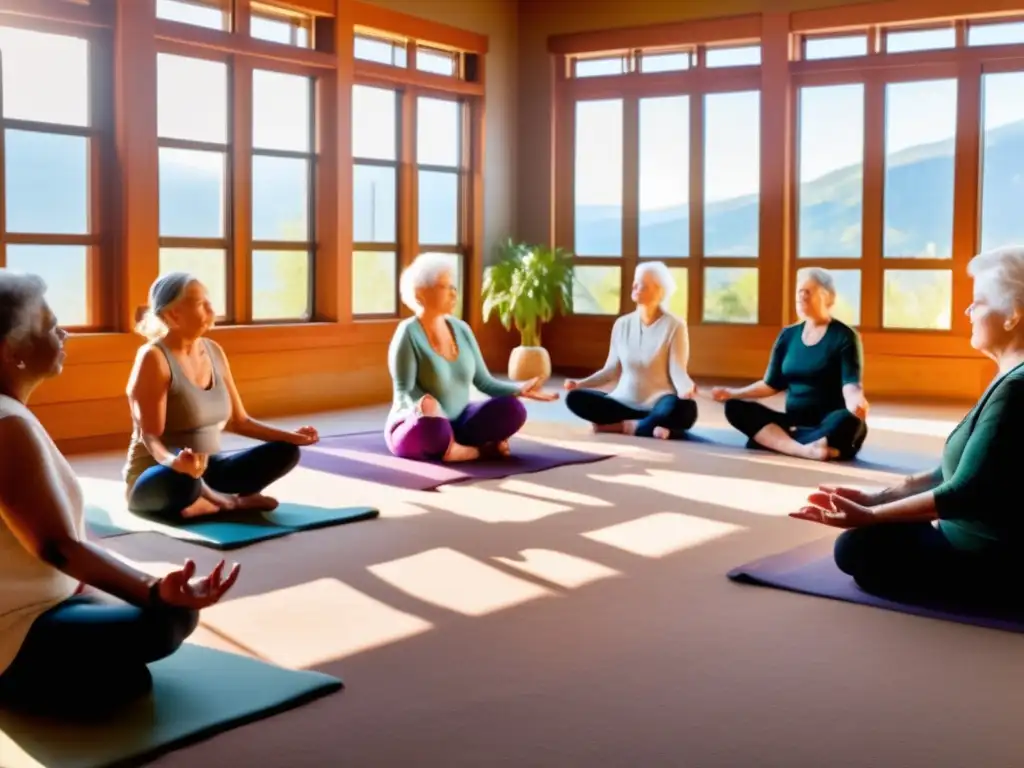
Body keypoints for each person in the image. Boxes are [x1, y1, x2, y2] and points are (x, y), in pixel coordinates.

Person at [0, 271, 239, 717]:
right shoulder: (6, 425)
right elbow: (58, 546)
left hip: (46, 599)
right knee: (172, 618)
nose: (63, 332)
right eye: (50, 325)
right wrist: (153, 590)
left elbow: (67, 538)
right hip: (15, 625)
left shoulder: (11, 416)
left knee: (148, 628)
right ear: (11, 350)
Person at [792, 246, 1024, 609]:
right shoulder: (1009, 377)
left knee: (857, 548)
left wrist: (870, 516)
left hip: (999, 562)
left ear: (1013, 314)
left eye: (977, 302)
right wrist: (877, 498)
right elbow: (950, 472)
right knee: (873, 535)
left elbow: (964, 492)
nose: (967, 311)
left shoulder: (1017, 388)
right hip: (980, 539)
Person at [125, 273, 319, 521]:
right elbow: (151, 439)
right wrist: (176, 463)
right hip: (160, 474)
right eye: (200, 303)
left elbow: (239, 421)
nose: (211, 309)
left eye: (208, 300)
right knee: (183, 480)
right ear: (174, 315)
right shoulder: (153, 358)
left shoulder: (213, 351)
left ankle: (204, 503)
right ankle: (226, 503)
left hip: (206, 470)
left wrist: (293, 437)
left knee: (286, 451)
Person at [387, 253, 557, 462]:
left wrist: (519, 389)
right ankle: (473, 450)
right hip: (422, 423)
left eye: (453, 287)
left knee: (513, 409)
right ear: (420, 292)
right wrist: (424, 408)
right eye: (444, 286)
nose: (453, 293)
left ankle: (455, 448)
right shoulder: (408, 333)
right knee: (433, 431)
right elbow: (402, 392)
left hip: (461, 422)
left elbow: (484, 382)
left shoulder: (462, 329)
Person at [713, 267, 869, 461]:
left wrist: (856, 402)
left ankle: (775, 441)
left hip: (827, 423)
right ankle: (807, 449)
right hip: (793, 421)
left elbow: (851, 384)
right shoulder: (788, 335)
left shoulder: (845, 336)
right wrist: (732, 393)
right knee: (735, 407)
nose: (802, 296)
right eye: (799, 291)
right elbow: (771, 384)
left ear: (827, 297)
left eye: (809, 291)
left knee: (851, 421)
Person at [564, 261, 698, 439]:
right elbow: (611, 370)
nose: (635, 286)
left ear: (659, 291)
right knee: (575, 398)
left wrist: (685, 387)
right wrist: (580, 384)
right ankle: (654, 426)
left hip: (659, 402)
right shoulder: (622, 324)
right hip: (622, 402)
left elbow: (677, 370)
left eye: (642, 284)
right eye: (635, 282)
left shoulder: (675, 325)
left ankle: (629, 427)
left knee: (686, 408)